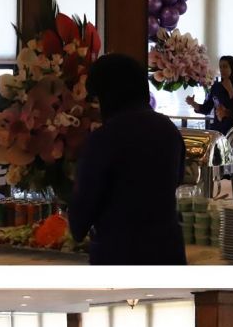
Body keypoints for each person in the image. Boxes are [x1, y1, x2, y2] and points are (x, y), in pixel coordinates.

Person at [68, 52, 187, 265]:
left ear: (106, 96)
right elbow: (177, 180)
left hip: (119, 253)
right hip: (168, 250)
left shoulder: (105, 138)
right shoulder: (168, 129)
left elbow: (81, 214)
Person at [186, 55, 233, 133]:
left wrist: (230, 90)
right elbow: (206, 108)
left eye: (225, 67)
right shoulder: (216, 86)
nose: (222, 70)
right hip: (217, 129)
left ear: (232, 68)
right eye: (220, 67)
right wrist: (193, 103)